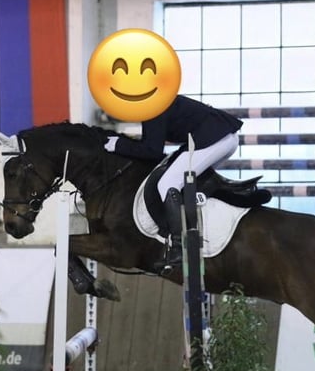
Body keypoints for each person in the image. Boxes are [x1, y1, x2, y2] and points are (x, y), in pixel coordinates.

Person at [103, 95, 243, 273]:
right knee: (177, 178)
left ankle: (179, 247)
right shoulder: (153, 101)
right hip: (219, 136)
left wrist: (119, 145)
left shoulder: (152, 106)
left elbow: (152, 151)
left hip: (217, 138)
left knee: (167, 184)